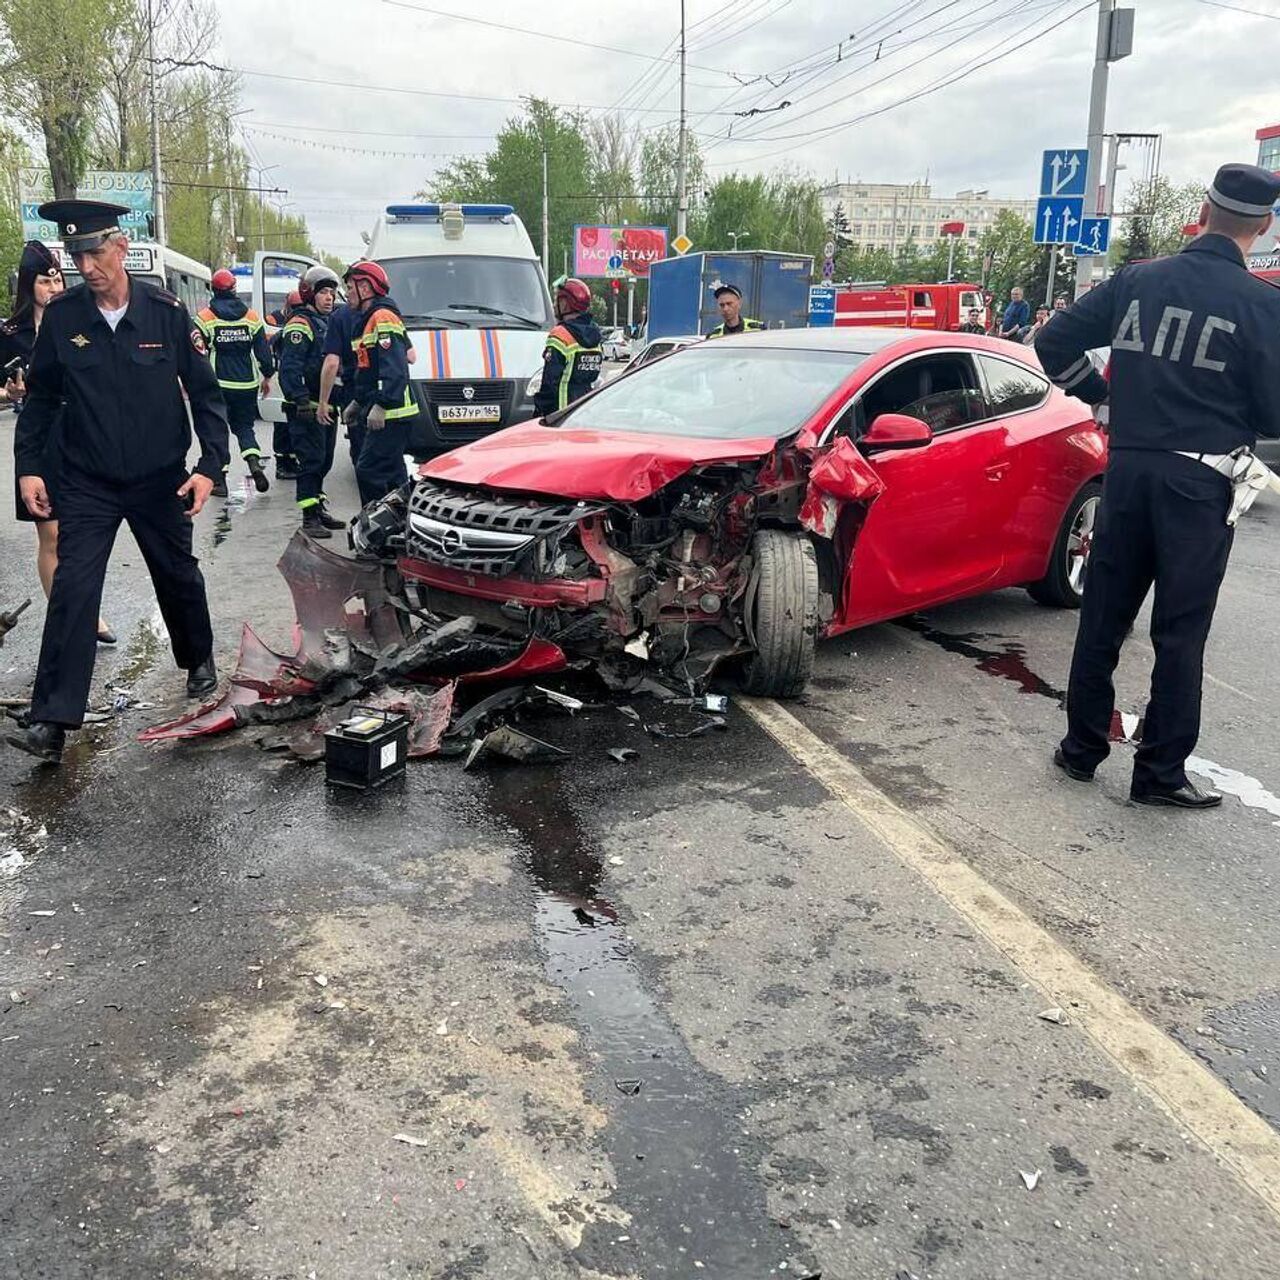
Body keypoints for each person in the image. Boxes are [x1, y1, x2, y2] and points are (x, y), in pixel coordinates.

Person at [1035, 162, 1280, 809]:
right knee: (1181, 631)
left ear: (1202, 211)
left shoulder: (1137, 281)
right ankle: (1159, 775)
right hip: (1200, 484)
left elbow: (1053, 340)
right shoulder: (1262, 304)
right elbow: (1275, 411)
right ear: (1263, 225)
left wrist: (1102, 397)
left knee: (1104, 617)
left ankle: (1081, 750)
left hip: (1128, 470)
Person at [7, 200, 229, 764]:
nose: (87, 266)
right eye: (77, 255)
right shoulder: (64, 318)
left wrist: (208, 469)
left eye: (95, 252)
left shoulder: (165, 312)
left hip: (159, 480)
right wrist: (28, 466)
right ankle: (52, 722)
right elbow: (42, 400)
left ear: (122, 246)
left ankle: (198, 659)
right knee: (75, 588)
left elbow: (206, 396)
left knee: (177, 574)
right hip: (87, 481)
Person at [3, 241, 115, 646]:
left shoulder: (79, 322)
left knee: (84, 534)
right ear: (27, 285)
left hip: (85, 437)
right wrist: (9, 395)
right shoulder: (10, 335)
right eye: (43, 280)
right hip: (40, 441)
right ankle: (73, 618)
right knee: (51, 536)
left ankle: (85, 607)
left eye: (56, 278)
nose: (52, 287)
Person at [344, 259, 417, 506]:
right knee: (393, 475)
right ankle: (402, 528)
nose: (346, 294)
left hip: (393, 412)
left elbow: (396, 367)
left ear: (365, 288)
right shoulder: (368, 320)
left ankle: (379, 531)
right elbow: (367, 371)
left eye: (350, 287)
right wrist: (357, 401)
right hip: (387, 410)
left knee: (369, 470)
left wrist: (383, 405)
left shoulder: (382, 317)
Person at [278, 265, 344, 538]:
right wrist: (301, 400)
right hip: (306, 409)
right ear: (309, 294)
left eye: (332, 292)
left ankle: (318, 507)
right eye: (324, 293)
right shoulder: (300, 325)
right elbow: (289, 368)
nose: (329, 297)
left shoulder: (326, 323)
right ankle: (309, 517)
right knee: (311, 462)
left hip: (327, 407)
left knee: (325, 461)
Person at [196, 269, 275, 496]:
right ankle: (253, 461)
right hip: (246, 384)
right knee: (244, 427)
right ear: (234, 289)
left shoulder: (205, 318)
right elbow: (263, 353)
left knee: (217, 430)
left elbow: (197, 353)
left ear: (214, 289)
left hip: (218, 383)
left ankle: (220, 480)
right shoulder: (251, 317)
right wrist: (267, 376)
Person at [533, 277, 603, 416]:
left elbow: (550, 382)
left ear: (565, 304)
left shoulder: (560, 334)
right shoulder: (595, 334)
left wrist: (541, 411)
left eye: (557, 300)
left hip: (561, 412)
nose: (554, 305)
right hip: (584, 410)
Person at [266, 288, 302, 480]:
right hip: (293, 386)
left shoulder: (284, 331)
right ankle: (286, 464)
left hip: (282, 384)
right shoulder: (298, 329)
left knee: (282, 425)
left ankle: (285, 463)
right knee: (288, 426)